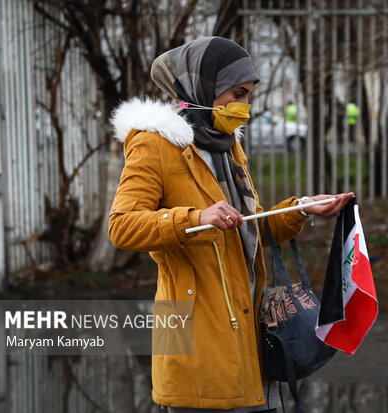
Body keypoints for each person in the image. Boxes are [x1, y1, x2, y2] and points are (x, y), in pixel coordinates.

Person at [107, 37, 353, 412]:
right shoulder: (153, 144)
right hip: (198, 337)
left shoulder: (227, 146)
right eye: (237, 93)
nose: (244, 107)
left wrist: (301, 209)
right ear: (202, 86)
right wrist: (195, 218)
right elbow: (122, 226)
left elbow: (247, 227)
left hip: (251, 329)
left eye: (249, 95)